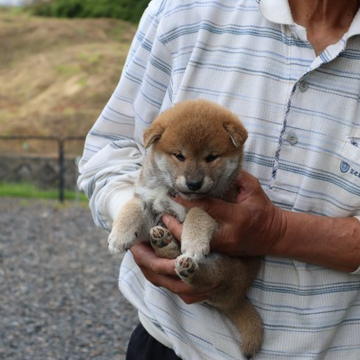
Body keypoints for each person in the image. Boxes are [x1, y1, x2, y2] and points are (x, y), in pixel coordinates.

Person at [77, 0, 360, 358]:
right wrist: (139, 219)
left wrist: (280, 232)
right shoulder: (181, 9)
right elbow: (111, 147)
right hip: (170, 341)